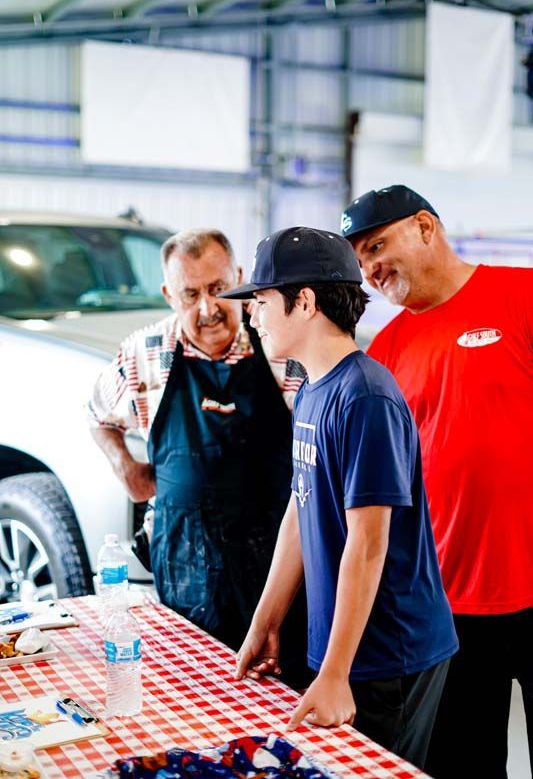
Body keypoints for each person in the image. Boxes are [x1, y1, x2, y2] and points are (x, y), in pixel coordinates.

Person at [220, 226, 458, 770]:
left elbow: (368, 545)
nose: (253, 316)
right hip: (343, 647)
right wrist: (266, 621)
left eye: (262, 301)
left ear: (304, 302)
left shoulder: (365, 398)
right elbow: (299, 510)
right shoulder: (311, 388)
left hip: (388, 652)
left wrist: (335, 673)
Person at [342, 185, 533, 779]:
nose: (371, 270)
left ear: (425, 227)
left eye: (377, 246)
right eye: (361, 261)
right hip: (447, 606)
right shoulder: (387, 351)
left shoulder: (521, 296)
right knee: (464, 764)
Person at [88, 227, 309, 684]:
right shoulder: (144, 354)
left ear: (239, 278)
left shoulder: (282, 348)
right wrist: (124, 466)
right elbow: (97, 415)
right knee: (191, 693)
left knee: (278, 699)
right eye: (191, 295)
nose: (208, 309)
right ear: (169, 295)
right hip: (184, 566)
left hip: (277, 567)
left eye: (218, 288)